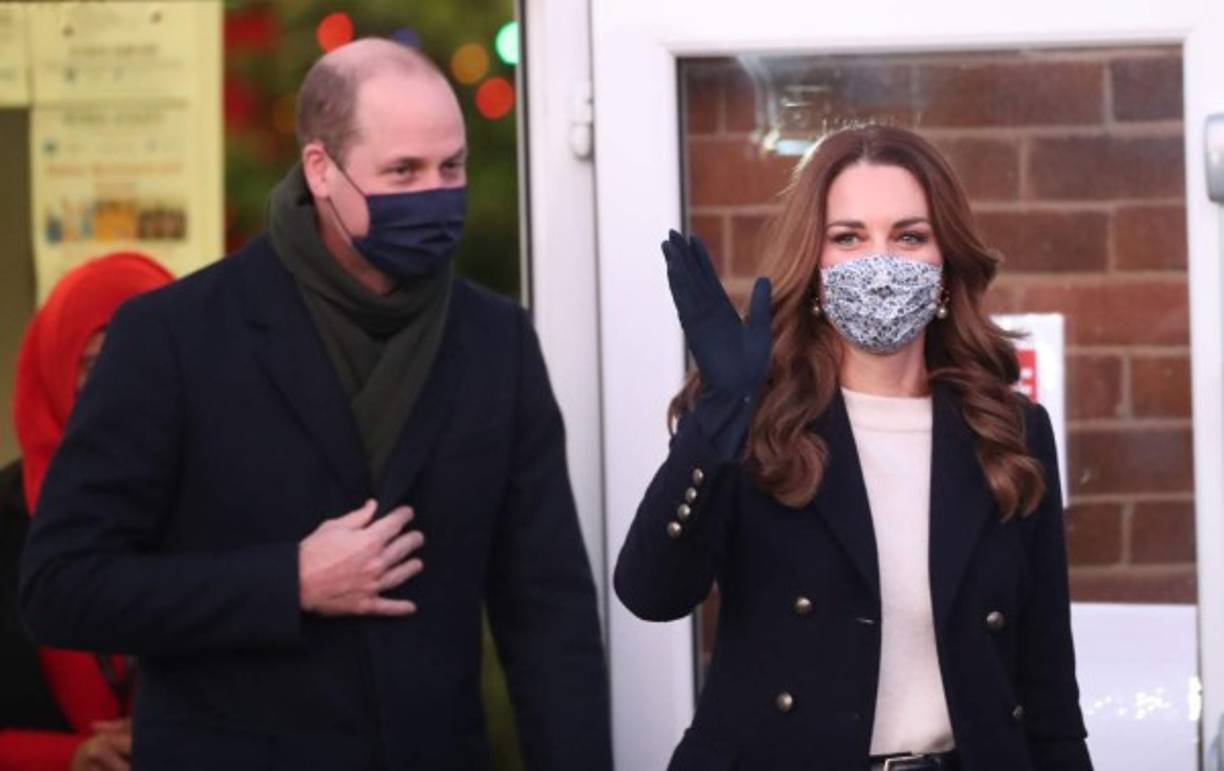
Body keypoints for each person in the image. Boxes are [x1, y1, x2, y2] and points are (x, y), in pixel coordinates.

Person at [20, 38, 611, 771]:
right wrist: (287, 580)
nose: (434, 193)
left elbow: (547, 613)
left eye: (450, 167)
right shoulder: (173, 337)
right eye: (402, 171)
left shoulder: (495, 341)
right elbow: (62, 586)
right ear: (321, 170)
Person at [615, 124, 1092, 771]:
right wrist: (715, 423)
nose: (881, 262)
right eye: (849, 237)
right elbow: (652, 591)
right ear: (813, 267)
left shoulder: (1009, 430)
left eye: (909, 235)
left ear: (946, 264)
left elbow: (1048, 691)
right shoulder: (759, 421)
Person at [2, 252, 173, 771]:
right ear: (54, 370)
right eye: (97, 365)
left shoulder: (236, 502)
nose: (123, 388)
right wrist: (66, 757)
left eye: (148, 359)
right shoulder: (6, 520)